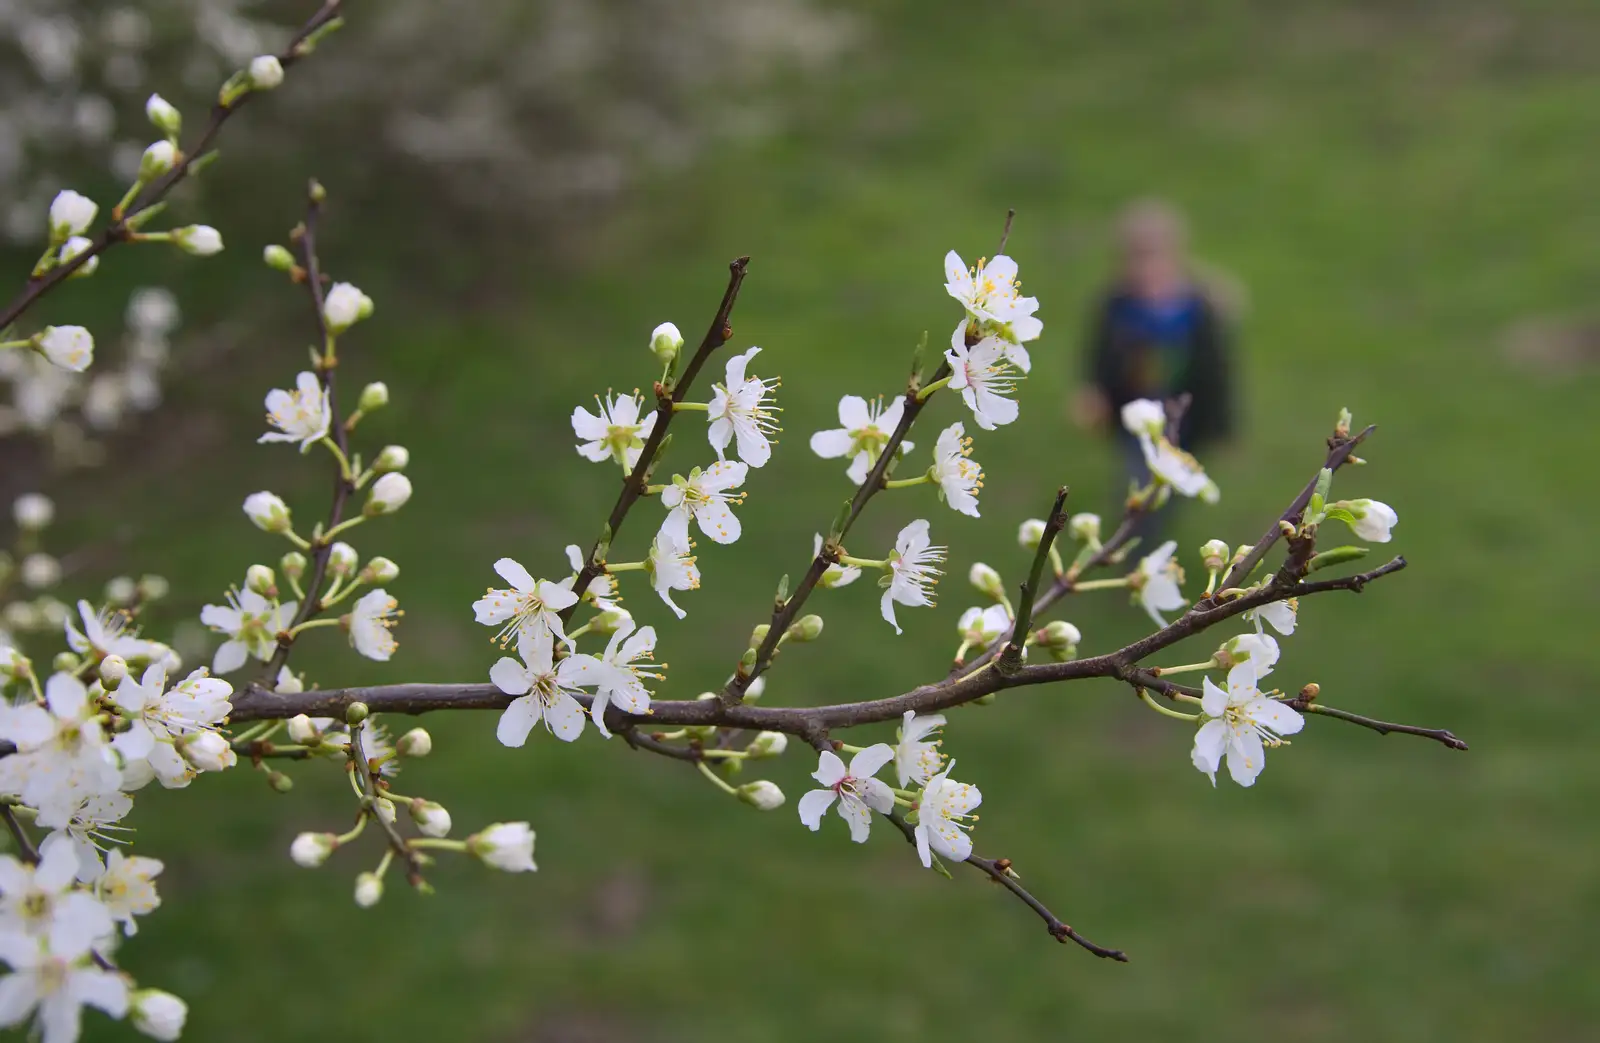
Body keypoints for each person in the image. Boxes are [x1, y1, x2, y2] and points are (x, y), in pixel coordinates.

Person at [1073, 200, 1237, 521]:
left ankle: (1157, 518)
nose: (1147, 269)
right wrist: (1093, 391)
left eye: (1155, 257)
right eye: (1137, 259)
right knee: (1138, 476)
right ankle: (1134, 536)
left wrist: (1222, 426)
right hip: (1135, 411)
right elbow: (1099, 353)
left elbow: (1218, 372)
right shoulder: (1116, 305)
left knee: (1176, 484)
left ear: (1176, 256)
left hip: (1186, 413)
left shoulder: (1198, 309)